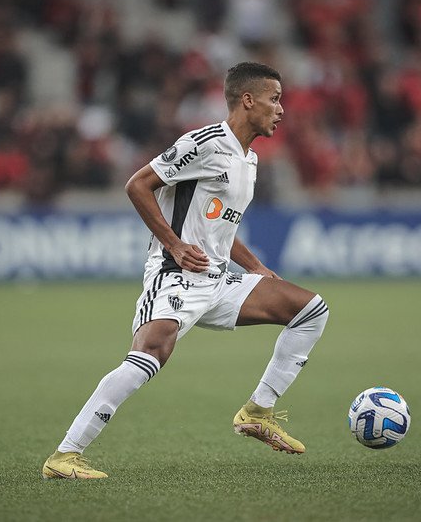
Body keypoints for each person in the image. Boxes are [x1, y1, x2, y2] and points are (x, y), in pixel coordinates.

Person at [42, 62, 330, 479]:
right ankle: (64, 456)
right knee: (149, 355)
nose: (281, 109)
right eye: (275, 99)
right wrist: (174, 245)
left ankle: (257, 411)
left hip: (219, 281)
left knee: (311, 310)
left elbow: (220, 225)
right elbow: (137, 185)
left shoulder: (249, 160)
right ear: (248, 100)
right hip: (176, 275)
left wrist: (256, 267)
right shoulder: (205, 143)